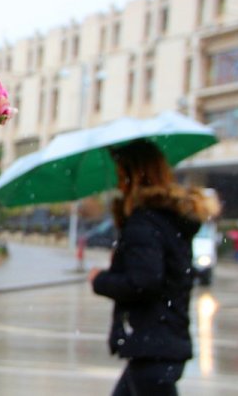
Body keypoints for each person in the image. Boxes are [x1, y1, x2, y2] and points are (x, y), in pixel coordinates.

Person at [88, 139, 220, 396]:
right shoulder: (166, 219)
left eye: (121, 174)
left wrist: (100, 280)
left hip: (154, 347)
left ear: (133, 175)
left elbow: (144, 281)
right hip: (162, 343)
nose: (118, 182)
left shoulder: (145, 223)